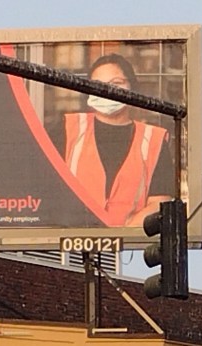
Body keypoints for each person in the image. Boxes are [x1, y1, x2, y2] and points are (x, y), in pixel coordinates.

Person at [55, 52, 174, 227]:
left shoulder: (153, 140)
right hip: (71, 238)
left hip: (129, 241)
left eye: (116, 83)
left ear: (132, 88)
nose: (107, 91)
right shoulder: (67, 129)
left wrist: (121, 236)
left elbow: (159, 203)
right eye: (98, 85)